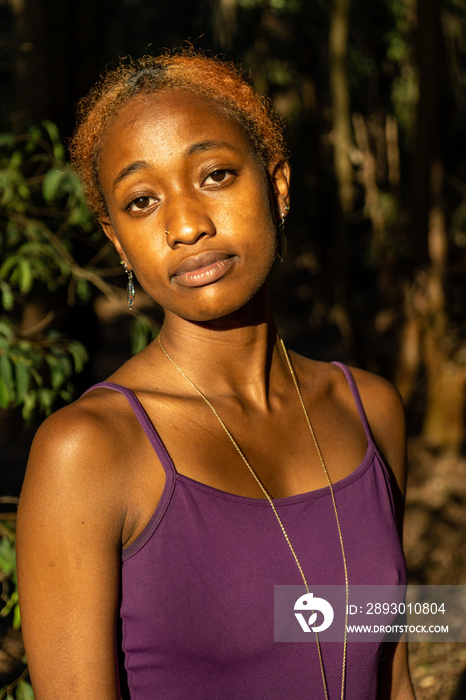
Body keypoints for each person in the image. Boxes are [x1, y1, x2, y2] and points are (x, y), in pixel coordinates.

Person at [16, 50, 415, 699]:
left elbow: (393, 675)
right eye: (142, 200)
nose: (186, 226)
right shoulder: (88, 451)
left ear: (278, 186)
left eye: (215, 175)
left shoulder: (369, 410)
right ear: (118, 241)